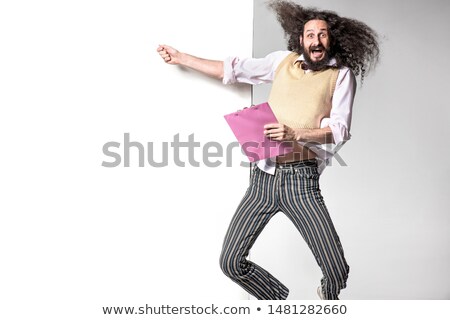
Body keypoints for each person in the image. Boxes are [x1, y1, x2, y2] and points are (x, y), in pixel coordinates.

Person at [157, 0, 379, 300]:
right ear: (300, 39)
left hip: (301, 181)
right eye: (310, 34)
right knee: (231, 263)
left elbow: (339, 130)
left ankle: (327, 297)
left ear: (332, 39)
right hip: (263, 177)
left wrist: (295, 133)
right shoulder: (282, 62)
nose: (316, 40)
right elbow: (232, 69)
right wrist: (182, 57)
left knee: (336, 269)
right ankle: (277, 303)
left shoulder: (340, 76)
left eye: (323, 34)